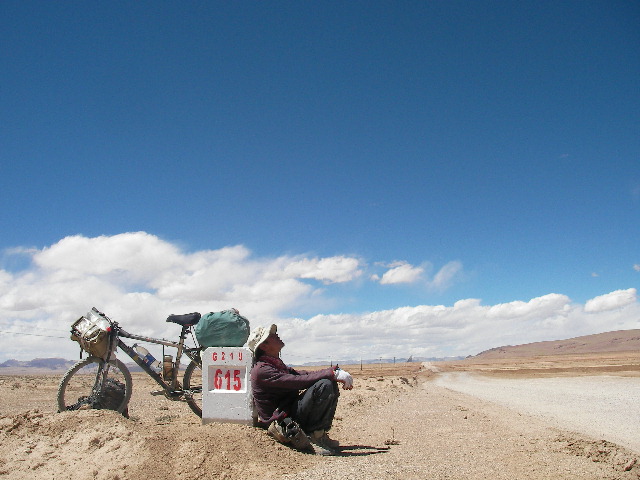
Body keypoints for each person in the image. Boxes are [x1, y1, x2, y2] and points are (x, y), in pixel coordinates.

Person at [248, 324, 353, 455]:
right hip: (283, 419)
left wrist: (332, 372)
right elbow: (297, 382)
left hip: (289, 411)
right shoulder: (263, 370)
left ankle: (319, 434)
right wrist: (330, 374)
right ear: (264, 346)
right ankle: (312, 437)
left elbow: (301, 374)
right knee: (324, 385)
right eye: (272, 335)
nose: (277, 335)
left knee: (329, 382)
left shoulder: (274, 364)